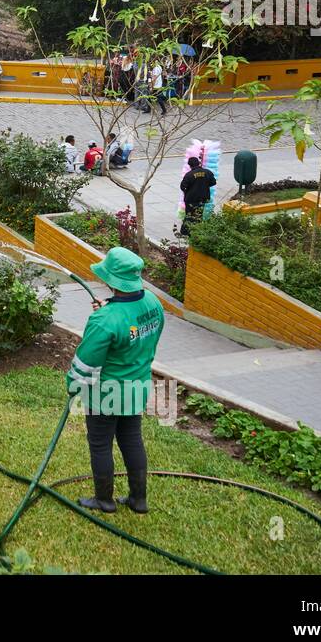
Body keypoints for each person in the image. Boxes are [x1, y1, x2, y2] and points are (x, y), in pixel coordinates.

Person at [68, 246, 164, 514]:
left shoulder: (104, 320)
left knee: (100, 444)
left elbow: (86, 362)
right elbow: (136, 329)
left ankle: (104, 500)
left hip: (106, 393)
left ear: (111, 280)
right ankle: (138, 499)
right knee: (131, 439)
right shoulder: (154, 304)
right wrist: (110, 309)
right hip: (137, 387)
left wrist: (72, 385)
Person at [179, 156, 216, 236]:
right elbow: (213, 182)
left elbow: (183, 186)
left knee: (189, 214)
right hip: (203, 198)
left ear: (190, 165)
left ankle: (186, 231)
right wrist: (205, 186)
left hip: (191, 199)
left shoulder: (189, 175)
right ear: (198, 163)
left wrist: (188, 191)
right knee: (199, 214)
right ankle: (198, 230)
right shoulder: (207, 172)